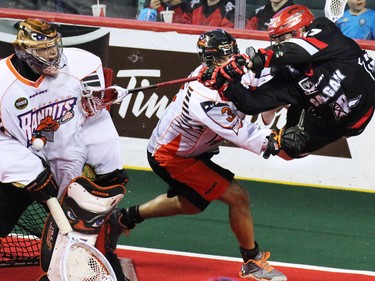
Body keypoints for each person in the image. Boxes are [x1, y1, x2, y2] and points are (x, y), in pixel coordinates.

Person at [109, 29, 288, 281]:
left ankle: (123, 218)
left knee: (192, 204)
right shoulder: (204, 97)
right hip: (172, 155)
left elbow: (261, 89)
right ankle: (251, 262)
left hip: (193, 149)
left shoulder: (230, 70)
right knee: (238, 198)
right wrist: (283, 143)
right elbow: (248, 137)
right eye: (222, 56)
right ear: (208, 60)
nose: (230, 60)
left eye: (232, 52)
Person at [0, 18, 129, 280]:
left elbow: (94, 120)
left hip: (66, 163)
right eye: (43, 50)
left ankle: (70, 271)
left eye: (53, 47)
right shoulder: (2, 84)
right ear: (23, 52)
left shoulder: (81, 63)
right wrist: (28, 171)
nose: (52, 55)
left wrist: (109, 165)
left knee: (85, 219)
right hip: (17, 165)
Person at [198, 4, 375, 159]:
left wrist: (259, 57)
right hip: (333, 122)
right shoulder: (290, 74)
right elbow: (251, 103)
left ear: (300, 31)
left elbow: (298, 49)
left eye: (281, 39)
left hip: (367, 99)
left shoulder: (325, 31)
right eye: (274, 40)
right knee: (291, 149)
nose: (276, 44)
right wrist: (228, 84)